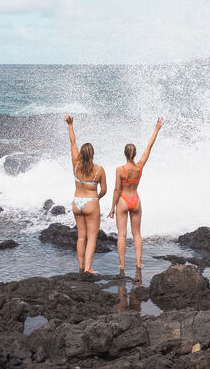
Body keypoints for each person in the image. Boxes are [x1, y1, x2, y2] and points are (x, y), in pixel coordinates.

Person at [108, 117, 164, 280]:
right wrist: (156, 129)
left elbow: (117, 189)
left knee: (122, 235)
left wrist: (112, 207)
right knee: (137, 234)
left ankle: (122, 265)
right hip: (136, 200)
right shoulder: (139, 167)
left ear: (125, 154)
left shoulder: (120, 170)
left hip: (123, 201)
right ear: (134, 154)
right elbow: (149, 147)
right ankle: (138, 263)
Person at [64, 115, 107, 274]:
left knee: (81, 237)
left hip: (77, 203)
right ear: (93, 154)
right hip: (91, 202)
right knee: (92, 237)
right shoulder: (99, 170)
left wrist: (70, 125)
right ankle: (88, 267)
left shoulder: (76, 164)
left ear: (82, 154)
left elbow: (73, 142)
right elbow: (104, 190)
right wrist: (96, 199)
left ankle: (81, 266)